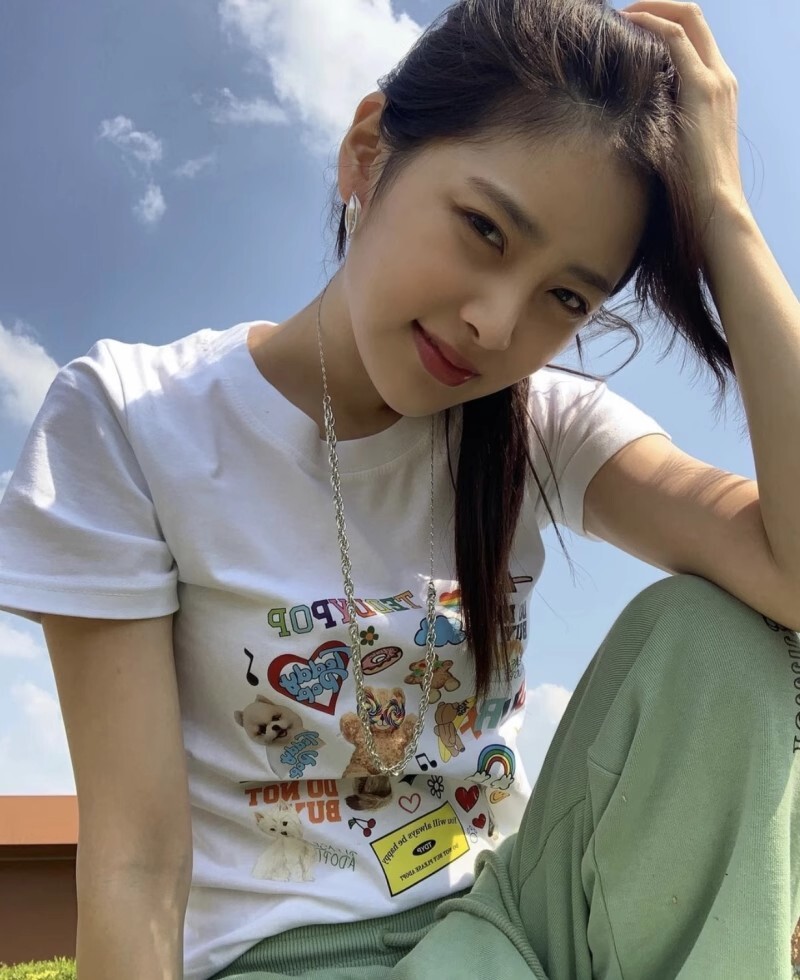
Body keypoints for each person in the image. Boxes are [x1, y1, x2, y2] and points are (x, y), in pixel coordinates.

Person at [0, 0, 798, 977]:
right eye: (484, 229)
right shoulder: (133, 417)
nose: (495, 323)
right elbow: (135, 864)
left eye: (565, 296)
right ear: (367, 155)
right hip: (280, 958)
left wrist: (723, 215)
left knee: (718, 640)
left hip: (506, 925)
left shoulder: (542, 424)